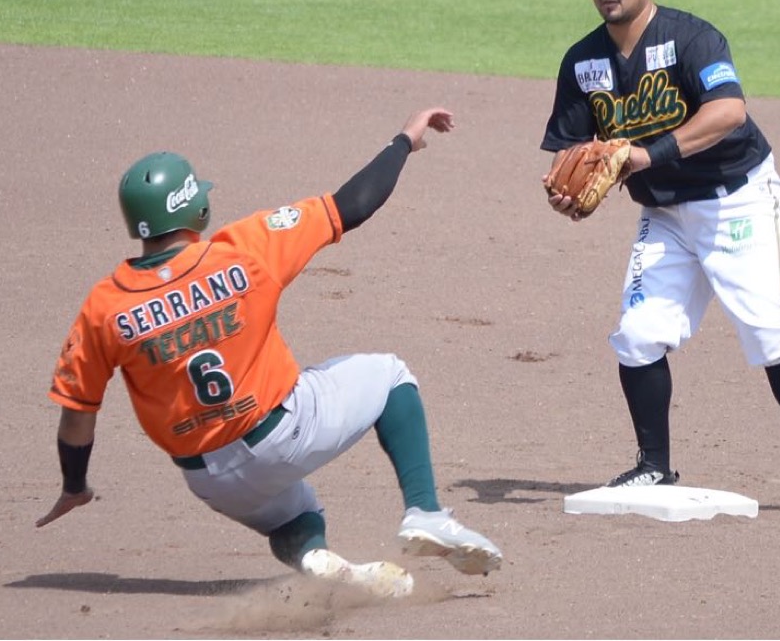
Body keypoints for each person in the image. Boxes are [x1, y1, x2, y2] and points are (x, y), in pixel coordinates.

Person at [36, 107, 502, 598]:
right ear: (191, 209)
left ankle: (315, 557)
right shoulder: (244, 250)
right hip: (285, 433)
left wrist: (75, 486)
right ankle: (426, 512)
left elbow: (77, 418)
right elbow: (355, 204)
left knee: (293, 515)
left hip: (210, 479)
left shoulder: (104, 306)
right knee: (390, 376)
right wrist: (405, 140)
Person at [540, 0, 780, 520]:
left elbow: (728, 112)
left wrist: (646, 155)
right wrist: (567, 196)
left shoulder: (692, 38)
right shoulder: (583, 60)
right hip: (664, 214)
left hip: (737, 201)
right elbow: (571, 152)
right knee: (639, 336)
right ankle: (653, 465)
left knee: (768, 331)